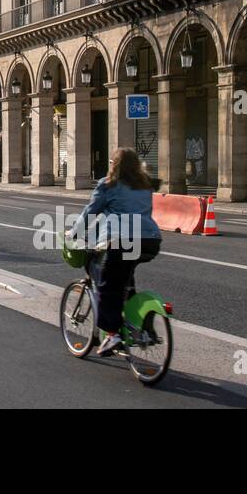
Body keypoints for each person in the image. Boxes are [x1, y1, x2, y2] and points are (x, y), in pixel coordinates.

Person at [72, 148, 163, 357]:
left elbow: (91, 211)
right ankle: (138, 326)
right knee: (125, 281)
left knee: (107, 286)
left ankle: (112, 334)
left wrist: (75, 232)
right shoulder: (145, 185)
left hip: (122, 240)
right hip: (150, 240)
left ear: (114, 164)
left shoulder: (108, 184)